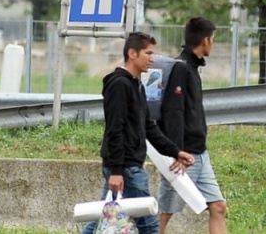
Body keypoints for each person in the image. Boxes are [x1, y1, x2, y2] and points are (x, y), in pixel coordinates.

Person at [82, 32, 194, 234]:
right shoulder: (119, 84)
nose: (152, 58)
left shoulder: (136, 83)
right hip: (125, 167)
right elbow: (115, 129)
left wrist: (175, 152)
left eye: (153, 53)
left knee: (103, 217)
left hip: (129, 165)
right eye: (148, 53)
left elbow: (148, 127)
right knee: (149, 224)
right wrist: (116, 171)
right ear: (132, 53)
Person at [157, 17, 227, 234]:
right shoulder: (181, 68)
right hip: (184, 155)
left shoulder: (192, 68)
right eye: (212, 39)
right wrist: (177, 151)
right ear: (205, 40)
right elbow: (173, 112)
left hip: (200, 153)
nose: (212, 44)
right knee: (164, 213)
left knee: (218, 206)